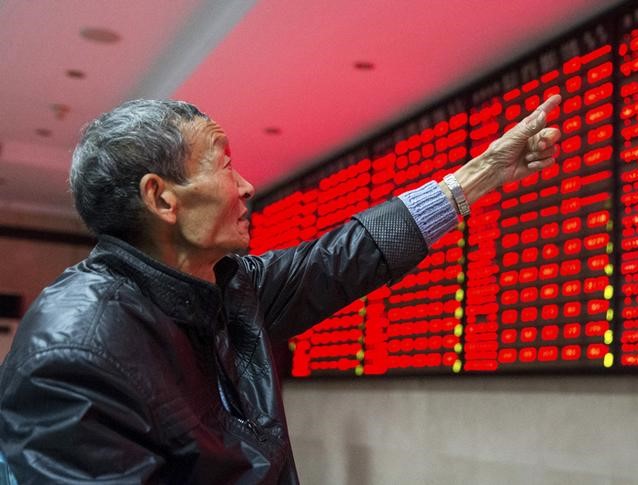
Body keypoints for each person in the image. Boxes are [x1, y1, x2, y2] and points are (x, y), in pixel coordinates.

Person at [0, 94, 561, 483]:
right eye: (225, 166)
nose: (246, 186)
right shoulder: (75, 351)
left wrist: (480, 175)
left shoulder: (224, 286)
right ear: (163, 198)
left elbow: (346, 256)